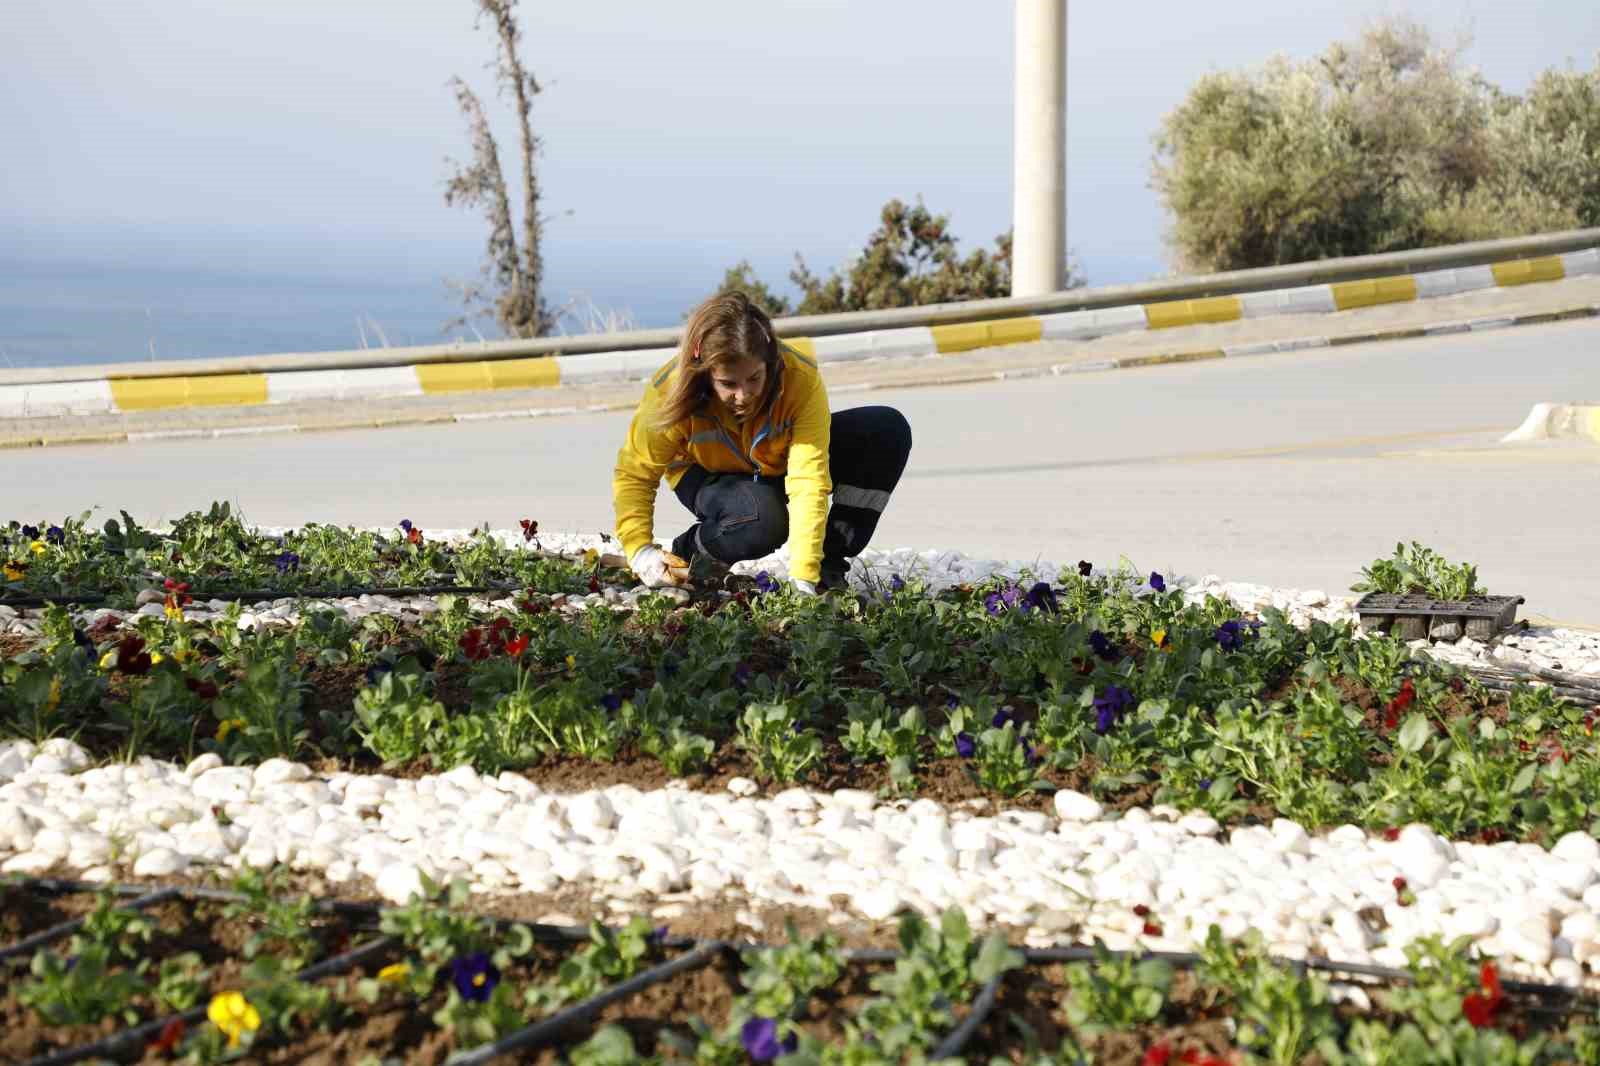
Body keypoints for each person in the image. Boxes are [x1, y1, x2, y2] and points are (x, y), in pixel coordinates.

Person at [613, 291, 912, 594]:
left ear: (769, 362)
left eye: (754, 378)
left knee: (885, 429)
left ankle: (827, 564)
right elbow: (635, 475)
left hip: (773, 465)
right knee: (764, 521)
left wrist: (804, 574)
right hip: (706, 473)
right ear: (705, 375)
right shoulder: (670, 389)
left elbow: (809, 478)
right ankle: (694, 552)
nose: (743, 396)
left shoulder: (800, 379)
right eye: (728, 384)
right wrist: (640, 551)